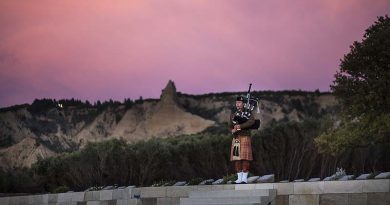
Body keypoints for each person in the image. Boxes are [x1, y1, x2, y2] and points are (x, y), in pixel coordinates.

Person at [229, 96, 255, 184]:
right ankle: (239, 179)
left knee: (245, 158)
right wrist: (232, 130)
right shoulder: (233, 115)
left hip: (245, 137)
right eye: (236, 103)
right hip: (236, 138)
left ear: (243, 104)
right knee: (237, 158)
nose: (238, 104)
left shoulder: (248, 113)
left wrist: (241, 126)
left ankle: (244, 178)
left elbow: (252, 122)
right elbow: (229, 126)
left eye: (239, 103)